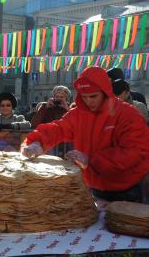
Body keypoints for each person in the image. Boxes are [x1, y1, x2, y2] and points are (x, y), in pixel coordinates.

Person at [21, 66, 149, 203]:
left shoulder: (128, 114)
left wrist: (91, 160)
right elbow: (58, 128)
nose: (89, 101)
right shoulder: (78, 114)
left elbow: (135, 151)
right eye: (84, 97)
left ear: (105, 92)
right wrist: (36, 142)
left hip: (125, 189)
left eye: (93, 96)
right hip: (92, 186)